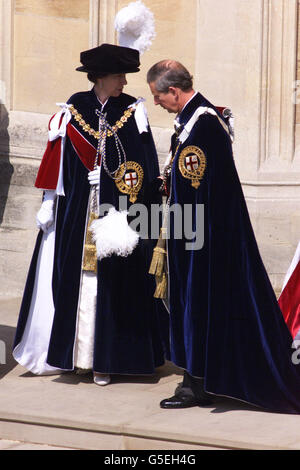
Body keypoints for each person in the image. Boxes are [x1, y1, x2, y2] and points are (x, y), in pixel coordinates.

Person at [147, 59, 300, 414]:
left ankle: (195, 385)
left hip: (203, 241)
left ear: (173, 90)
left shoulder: (202, 126)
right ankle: (200, 377)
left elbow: (201, 189)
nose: (155, 102)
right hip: (196, 234)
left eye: (157, 95)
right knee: (195, 310)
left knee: (198, 309)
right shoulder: (192, 119)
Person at [12, 44, 169, 386]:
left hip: (118, 213)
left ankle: (109, 359)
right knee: (80, 281)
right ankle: (78, 357)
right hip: (78, 211)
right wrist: (49, 201)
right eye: (118, 76)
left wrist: (112, 182)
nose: (124, 83)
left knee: (115, 282)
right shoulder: (74, 108)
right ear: (100, 78)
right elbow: (57, 160)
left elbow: (142, 166)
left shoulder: (133, 111)